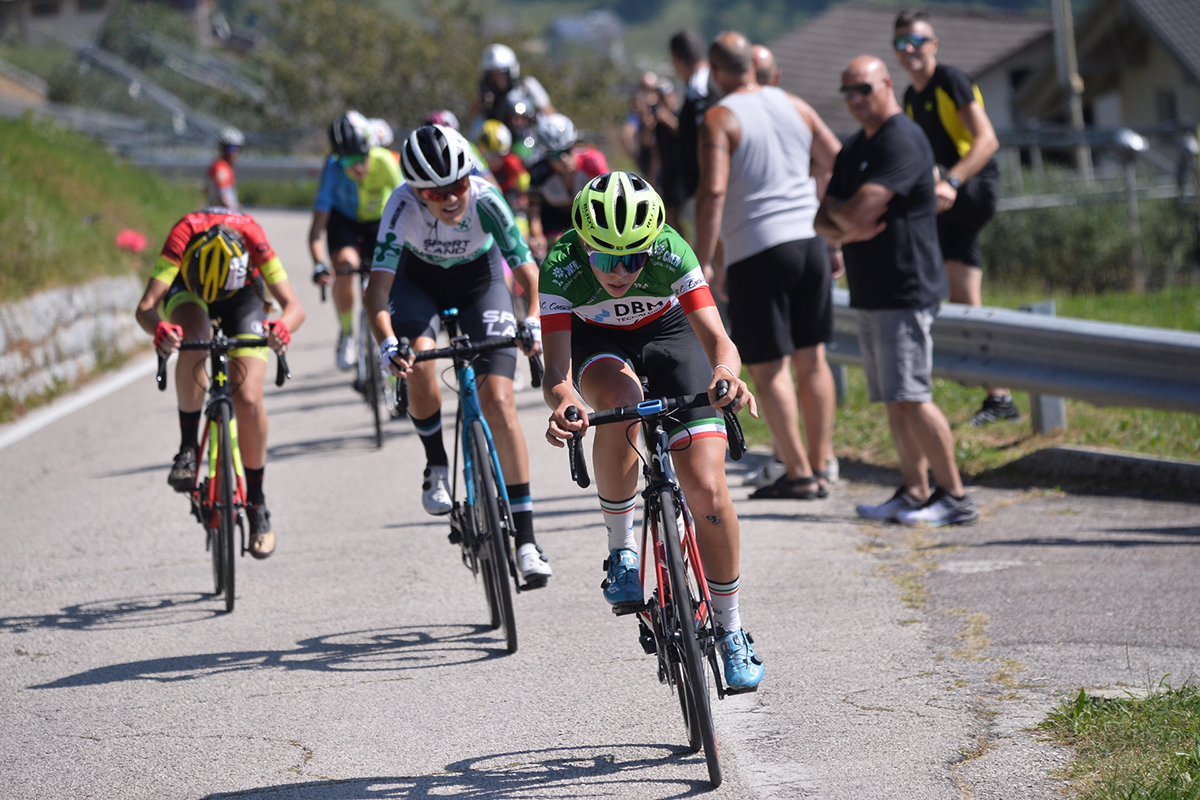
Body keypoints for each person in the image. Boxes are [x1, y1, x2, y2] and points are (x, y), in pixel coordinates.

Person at [541, 171, 764, 691]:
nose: (620, 271)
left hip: (670, 336)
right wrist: (567, 403)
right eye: (605, 259)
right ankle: (622, 551)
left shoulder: (670, 251)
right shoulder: (560, 265)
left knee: (708, 489)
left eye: (633, 258)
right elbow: (557, 375)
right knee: (620, 405)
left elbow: (718, 341)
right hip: (598, 345)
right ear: (583, 245)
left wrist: (727, 375)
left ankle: (731, 630)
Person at [365, 124, 552, 586]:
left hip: (480, 282)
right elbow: (377, 292)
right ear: (416, 191)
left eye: (458, 186)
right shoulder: (400, 205)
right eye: (435, 192)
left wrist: (531, 322)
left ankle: (527, 541)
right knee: (421, 364)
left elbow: (529, 274)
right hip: (418, 285)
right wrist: (388, 344)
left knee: (501, 403)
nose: (450, 199)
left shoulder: (487, 198)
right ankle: (436, 464)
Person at [814, 55, 978, 527]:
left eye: (863, 88)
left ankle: (955, 496)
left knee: (912, 395)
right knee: (894, 399)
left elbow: (864, 206)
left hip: (906, 288)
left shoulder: (902, 139)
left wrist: (844, 223)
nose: (854, 100)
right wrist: (845, 227)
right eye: (847, 92)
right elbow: (822, 217)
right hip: (872, 291)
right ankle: (914, 490)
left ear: (886, 84)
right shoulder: (854, 147)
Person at [695, 31, 843, 500]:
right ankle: (821, 463)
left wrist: (701, 257)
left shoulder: (719, 117)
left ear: (716, 73)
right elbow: (834, 159)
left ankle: (798, 473)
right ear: (753, 68)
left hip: (757, 247)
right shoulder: (794, 104)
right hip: (811, 239)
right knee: (812, 357)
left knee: (766, 364)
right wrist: (832, 224)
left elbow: (714, 191)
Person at [134, 209, 306, 557]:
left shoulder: (253, 237)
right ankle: (188, 448)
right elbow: (147, 306)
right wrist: (161, 329)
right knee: (195, 335)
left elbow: (294, 306)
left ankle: (257, 505)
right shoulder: (182, 234)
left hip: (243, 297)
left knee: (248, 401)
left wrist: (282, 327)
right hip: (189, 292)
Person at [893, 9, 1013, 427]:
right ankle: (998, 395)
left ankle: (997, 392)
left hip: (972, 189)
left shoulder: (951, 80)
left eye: (918, 41)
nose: (910, 50)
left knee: (950, 291)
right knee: (963, 295)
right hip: (945, 194)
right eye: (902, 43)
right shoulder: (911, 96)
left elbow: (988, 140)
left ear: (934, 44)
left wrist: (952, 182)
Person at [309, 112, 404, 372]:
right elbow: (317, 229)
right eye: (348, 160)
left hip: (378, 222)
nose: (357, 167)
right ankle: (347, 333)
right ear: (338, 157)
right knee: (345, 265)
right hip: (345, 221)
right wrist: (319, 263)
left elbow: (411, 208)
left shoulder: (384, 161)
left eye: (361, 157)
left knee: (389, 277)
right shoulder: (332, 168)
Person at [526, 113, 608, 262]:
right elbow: (534, 213)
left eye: (568, 150)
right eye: (556, 155)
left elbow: (608, 203)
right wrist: (537, 236)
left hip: (588, 217)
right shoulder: (539, 173)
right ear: (546, 156)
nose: (564, 159)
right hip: (553, 221)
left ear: (574, 145)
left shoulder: (593, 162)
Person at [669, 29, 715, 245]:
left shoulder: (699, 89)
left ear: (677, 59)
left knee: (710, 249)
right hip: (706, 185)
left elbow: (706, 136)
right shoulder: (710, 81)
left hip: (705, 186)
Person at [473, 43, 555, 126]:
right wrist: (482, 101)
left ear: (511, 71)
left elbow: (549, 112)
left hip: (530, 136)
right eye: (493, 74)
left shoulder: (527, 85)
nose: (498, 78)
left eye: (501, 73)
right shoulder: (487, 95)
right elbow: (471, 117)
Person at [206, 127, 244, 211]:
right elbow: (224, 197)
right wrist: (236, 213)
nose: (234, 152)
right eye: (230, 148)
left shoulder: (224, 166)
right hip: (222, 216)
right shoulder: (221, 168)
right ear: (222, 149)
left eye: (237, 148)